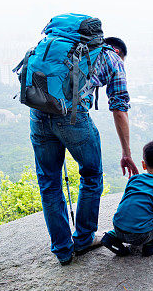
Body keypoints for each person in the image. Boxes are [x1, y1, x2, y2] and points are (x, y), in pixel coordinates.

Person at [30, 36, 139, 265]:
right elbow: (119, 109)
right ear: (118, 50)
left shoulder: (61, 48)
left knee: (49, 184)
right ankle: (84, 239)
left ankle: (62, 250)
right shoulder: (113, 58)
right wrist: (126, 153)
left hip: (38, 114)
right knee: (91, 176)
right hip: (72, 118)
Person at [101, 140, 153, 257]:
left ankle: (112, 236)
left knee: (135, 210)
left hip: (118, 228)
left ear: (144, 164)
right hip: (140, 237)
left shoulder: (134, 179)